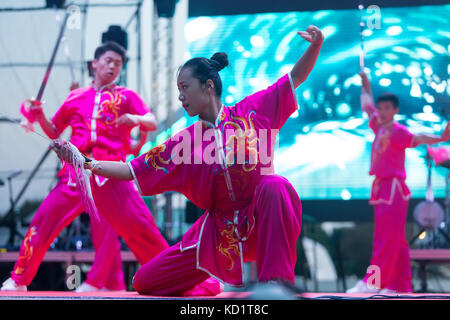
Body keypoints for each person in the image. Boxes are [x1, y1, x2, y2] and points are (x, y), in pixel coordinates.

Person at [54, 25, 324, 296]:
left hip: (261, 219)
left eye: (185, 88)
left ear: (208, 86)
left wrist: (315, 45)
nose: (180, 97)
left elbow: (295, 77)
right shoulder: (184, 143)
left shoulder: (252, 111)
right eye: (178, 90)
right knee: (144, 282)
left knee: (274, 185)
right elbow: (130, 170)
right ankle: (207, 287)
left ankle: (275, 289)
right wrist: (85, 162)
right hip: (217, 232)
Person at [1, 41, 170, 292]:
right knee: (43, 220)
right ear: (95, 64)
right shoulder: (76, 97)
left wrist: (135, 118)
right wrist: (40, 117)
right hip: (75, 173)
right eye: (109, 60)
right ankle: (19, 278)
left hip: (109, 173)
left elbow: (151, 121)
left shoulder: (127, 96)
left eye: (118, 63)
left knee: (137, 228)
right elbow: (55, 131)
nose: (113, 65)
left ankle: (170, 277)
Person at [347, 71, 450, 294]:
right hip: (382, 188)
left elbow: (419, 137)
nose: (381, 112)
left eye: (387, 109)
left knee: (386, 239)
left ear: (395, 111)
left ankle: (373, 282)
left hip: (393, 189)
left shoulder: (398, 132)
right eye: (381, 108)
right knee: (397, 241)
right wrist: (366, 85)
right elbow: (367, 106)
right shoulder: (378, 126)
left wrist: (440, 139)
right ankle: (400, 285)